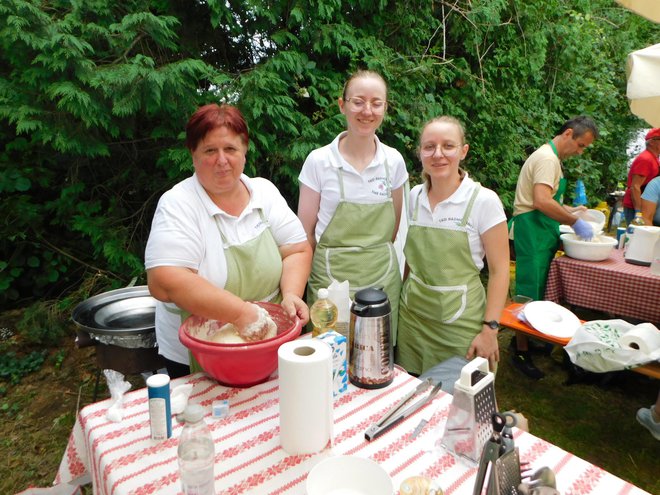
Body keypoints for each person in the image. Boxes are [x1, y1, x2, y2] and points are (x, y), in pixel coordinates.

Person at [145, 104, 312, 378]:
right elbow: (165, 280)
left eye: (231, 149)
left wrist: (292, 293)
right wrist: (242, 314)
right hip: (200, 356)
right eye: (210, 150)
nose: (222, 160)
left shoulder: (264, 192)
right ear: (193, 154)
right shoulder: (179, 204)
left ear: (244, 150)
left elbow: (296, 249)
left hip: (269, 342)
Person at [297, 70, 408, 338]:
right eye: (358, 101)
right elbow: (306, 234)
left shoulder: (393, 162)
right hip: (330, 281)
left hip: (381, 277)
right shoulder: (319, 161)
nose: (367, 111)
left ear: (385, 108)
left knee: (377, 357)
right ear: (342, 105)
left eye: (376, 103)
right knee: (331, 354)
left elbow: (392, 231)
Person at [395, 116, 509, 376]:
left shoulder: (483, 201)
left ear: (463, 151)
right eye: (429, 147)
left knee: (457, 404)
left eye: (448, 146)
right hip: (413, 320)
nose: (438, 154)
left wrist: (490, 329)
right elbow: (412, 260)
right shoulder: (414, 196)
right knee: (409, 395)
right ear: (420, 153)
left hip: (459, 325)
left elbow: (501, 270)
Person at [509, 116, 598, 379]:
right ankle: (520, 351)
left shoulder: (552, 159)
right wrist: (574, 221)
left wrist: (573, 210)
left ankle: (529, 338)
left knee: (536, 291)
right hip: (531, 230)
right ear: (568, 133)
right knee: (527, 291)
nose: (580, 152)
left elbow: (550, 201)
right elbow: (540, 201)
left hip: (541, 231)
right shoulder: (547, 159)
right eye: (580, 145)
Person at [623, 128, 660, 225]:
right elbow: (635, 187)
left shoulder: (654, 158)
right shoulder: (646, 159)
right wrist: (638, 212)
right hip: (634, 206)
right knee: (635, 235)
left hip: (645, 205)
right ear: (652, 142)